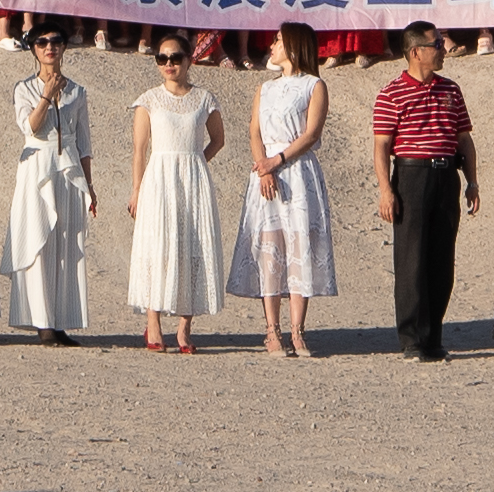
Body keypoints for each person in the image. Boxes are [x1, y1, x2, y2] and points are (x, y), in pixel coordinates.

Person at [226, 22, 338, 357]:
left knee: (298, 243)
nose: (272, 46)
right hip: (267, 172)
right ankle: (271, 330)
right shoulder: (265, 87)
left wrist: (279, 160)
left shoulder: (313, 85)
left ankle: (297, 330)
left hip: (296, 169)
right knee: (270, 246)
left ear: (293, 45)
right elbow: (254, 131)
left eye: (277, 40)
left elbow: (311, 134)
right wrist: (263, 166)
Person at [373, 20, 481, 361]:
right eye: (436, 44)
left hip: (446, 175)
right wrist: (386, 190)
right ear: (415, 51)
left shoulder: (451, 90)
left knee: (441, 259)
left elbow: (464, 139)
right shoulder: (391, 93)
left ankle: (434, 335)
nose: (443, 49)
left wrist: (472, 181)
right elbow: (381, 146)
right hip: (411, 176)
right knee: (411, 259)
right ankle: (411, 338)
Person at [127, 34, 226, 353]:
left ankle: (185, 328)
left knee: (192, 246)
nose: (169, 64)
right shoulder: (149, 100)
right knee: (158, 247)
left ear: (189, 59)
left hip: (193, 180)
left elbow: (218, 139)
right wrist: (137, 189)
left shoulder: (204, 98)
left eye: (175, 57)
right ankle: (153, 322)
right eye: (162, 58)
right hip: (158, 180)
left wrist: (195, 163)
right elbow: (139, 151)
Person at [2, 29, 97, 345]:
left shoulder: (78, 92)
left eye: (56, 41)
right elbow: (29, 126)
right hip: (37, 167)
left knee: (66, 245)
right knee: (38, 241)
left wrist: (89, 184)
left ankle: (59, 320)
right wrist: (46, 95)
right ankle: (41, 322)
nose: (49, 48)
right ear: (32, 48)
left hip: (68, 170)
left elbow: (83, 143)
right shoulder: (24, 88)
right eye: (42, 42)